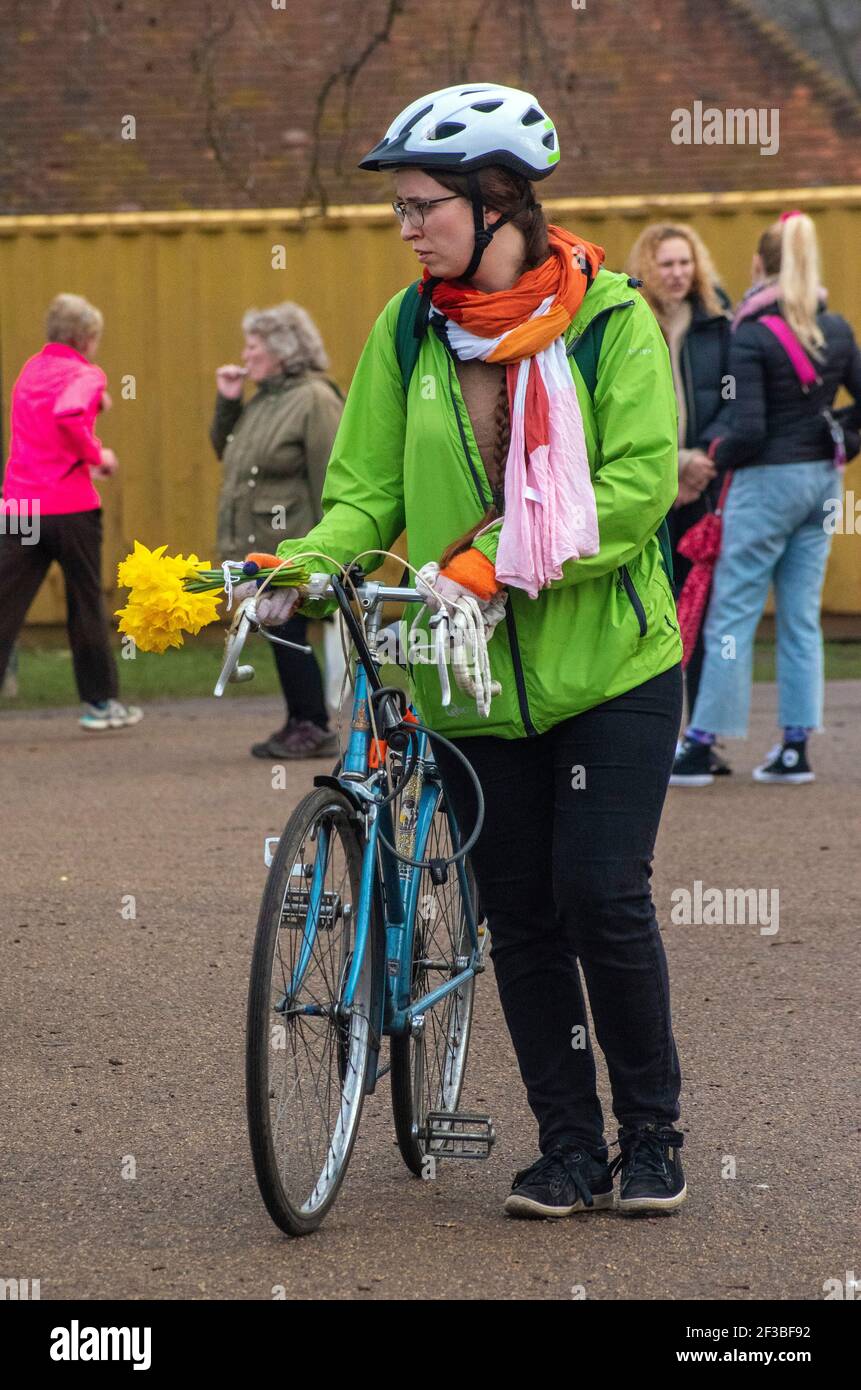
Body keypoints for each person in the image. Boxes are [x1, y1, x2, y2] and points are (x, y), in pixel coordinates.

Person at [243, 83, 687, 1218]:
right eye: (399, 207)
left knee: (600, 893)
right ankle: (570, 1148)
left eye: (421, 204)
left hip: (610, 668)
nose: (407, 227)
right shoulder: (410, 329)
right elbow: (366, 494)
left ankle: (653, 1133)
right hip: (469, 682)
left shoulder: (613, 320)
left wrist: (496, 558)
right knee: (521, 912)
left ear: (501, 204)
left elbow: (633, 489)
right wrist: (298, 568)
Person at [671, 211, 861, 787]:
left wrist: (709, 461)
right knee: (802, 617)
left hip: (763, 486)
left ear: (759, 263)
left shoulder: (751, 333)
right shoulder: (836, 327)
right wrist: (838, 440)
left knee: (732, 617)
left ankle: (702, 746)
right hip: (819, 484)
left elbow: (748, 427)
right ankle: (794, 750)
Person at [0, 293, 141, 731]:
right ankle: (99, 703)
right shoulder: (86, 373)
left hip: (20, 503)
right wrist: (99, 454)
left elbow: (46, 425)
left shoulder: (30, 371)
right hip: (69, 508)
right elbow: (68, 415)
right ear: (87, 337)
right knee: (84, 603)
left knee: (5, 603)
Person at [211, 302, 343, 759]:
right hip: (261, 545)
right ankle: (299, 720)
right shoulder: (265, 398)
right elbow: (226, 452)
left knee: (291, 632)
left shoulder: (314, 400)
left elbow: (333, 476)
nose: (245, 356)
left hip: (297, 542)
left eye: (253, 347)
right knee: (281, 633)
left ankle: (313, 725)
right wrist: (228, 401)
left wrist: (330, 549)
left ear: (282, 351)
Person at [627, 222, 734, 770]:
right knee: (653, 609)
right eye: (665, 263)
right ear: (648, 266)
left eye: (684, 263)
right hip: (646, 489)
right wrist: (667, 466)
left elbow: (735, 400)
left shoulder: (719, 324)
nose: (676, 273)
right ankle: (653, 733)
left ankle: (699, 735)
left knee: (701, 612)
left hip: (700, 486)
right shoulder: (629, 319)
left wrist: (698, 460)